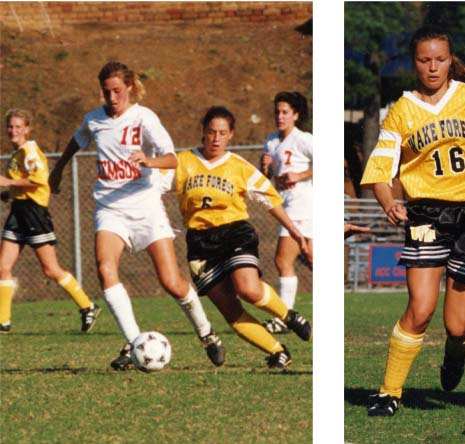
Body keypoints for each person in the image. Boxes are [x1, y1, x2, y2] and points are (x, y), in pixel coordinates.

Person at [48, 61, 224, 370]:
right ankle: (134, 344)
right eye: (106, 92)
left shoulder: (144, 117)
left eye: (117, 90)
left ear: (129, 87)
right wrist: (58, 170)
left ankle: (206, 332)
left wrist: (149, 160)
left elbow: (173, 159)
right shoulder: (94, 120)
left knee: (171, 282)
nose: (112, 97)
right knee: (105, 269)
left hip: (145, 206)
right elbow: (76, 141)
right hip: (110, 208)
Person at [361, 24, 465, 417]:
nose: (433, 67)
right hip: (424, 214)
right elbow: (381, 169)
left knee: (456, 324)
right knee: (420, 308)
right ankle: (389, 392)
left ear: (450, 60)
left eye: (440, 59)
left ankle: (457, 352)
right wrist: (389, 201)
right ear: (413, 62)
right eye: (424, 60)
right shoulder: (400, 111)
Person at [171, 106, 312, 368]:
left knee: (247, 288)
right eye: (211, 132)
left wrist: (293, 229)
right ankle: (277, 351)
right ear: (203, 132)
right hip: (200, 243)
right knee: (229, 309)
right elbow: (152, 189)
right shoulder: (182, 162)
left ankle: (288, 316)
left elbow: (269, 199)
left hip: (234, 233)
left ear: (231, 135)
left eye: (222, 133)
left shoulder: (238, 166)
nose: (216, 138)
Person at [0, 109, 100, 333]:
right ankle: (3, 321)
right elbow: (22, 184)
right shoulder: (17, 155)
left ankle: (88, 306)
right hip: (18, 212)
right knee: (2, 267)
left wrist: (7, 182)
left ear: (27, 129)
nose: (13, 130)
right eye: (10, 126)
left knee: (50, 269)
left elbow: (39, 179)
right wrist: (9, 194)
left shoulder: (30, 150)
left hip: (34, 214)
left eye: (18, 126)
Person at [259, 92, 313, 334]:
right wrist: (266, 169)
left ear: (296, 115)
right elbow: (268, 178)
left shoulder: (303, 139)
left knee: (283, 259)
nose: (279, 117)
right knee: (311, 257)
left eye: (285, 112)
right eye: (277, 112)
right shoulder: (271, 141)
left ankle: (284, 318)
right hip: (287, 203)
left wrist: (300, 175)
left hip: (302, 203)